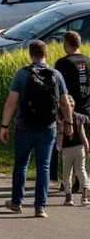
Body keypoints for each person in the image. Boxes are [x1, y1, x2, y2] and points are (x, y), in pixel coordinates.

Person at [0, 40, 75, 217]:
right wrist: (68, 124)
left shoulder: (22, 75)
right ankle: (40, 206)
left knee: (21, 163)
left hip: (24, 126)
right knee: (44, 166)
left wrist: (4, 126)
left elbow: (11, 103)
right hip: (48, 127)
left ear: (29, 54)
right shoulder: (56, 75)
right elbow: (65, 103)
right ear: (46, 55)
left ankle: (17, 202)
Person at [54, 30, 90, 205]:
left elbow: (59, 89)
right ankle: (82, 183)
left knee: (68, 145)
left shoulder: (62, 63)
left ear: (66, 43)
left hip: (70, 109)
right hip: (87, 109)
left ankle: (68, 183)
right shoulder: (88, 61)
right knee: (84, 146)